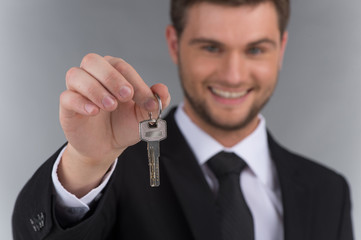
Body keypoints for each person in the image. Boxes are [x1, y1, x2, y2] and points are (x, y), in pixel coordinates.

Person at [12, 0, 354, 239]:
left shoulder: (329, 193)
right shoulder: (111, 174)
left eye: (255, 49)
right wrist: (86, 162)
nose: (233, 75)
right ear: (175, 45)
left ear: (281, 48)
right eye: (211, 48)